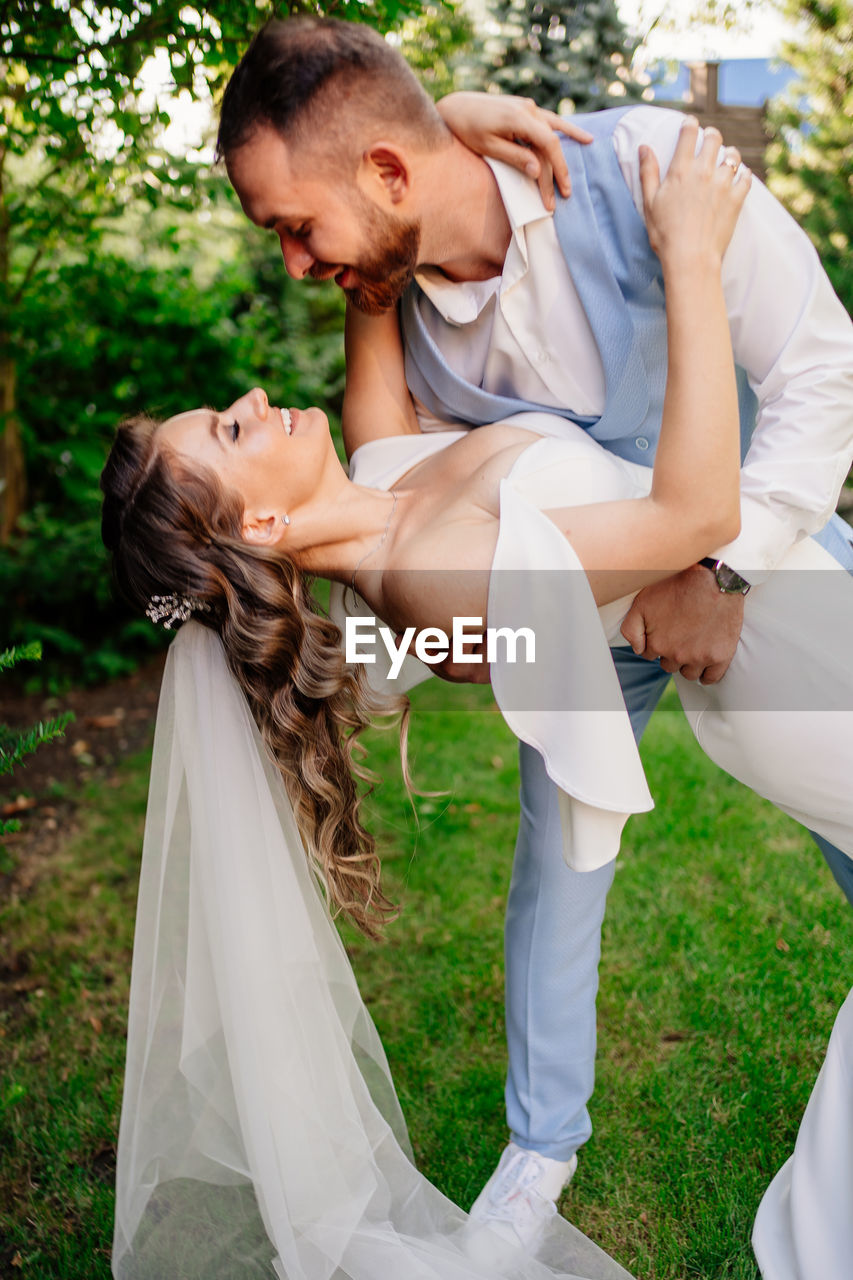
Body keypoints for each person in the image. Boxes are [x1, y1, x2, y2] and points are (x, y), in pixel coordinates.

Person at [102, 122, 853, 1276]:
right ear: (257, 526)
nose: (255, 394)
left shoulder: (387, 474)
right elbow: (698, 516)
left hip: (807, 619)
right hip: (804, 672)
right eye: (233, 428)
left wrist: (426, 128)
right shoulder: (446, 590)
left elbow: (377, 251)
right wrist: (691, 258)